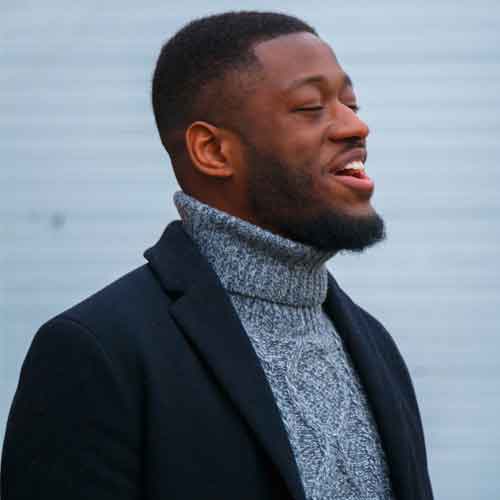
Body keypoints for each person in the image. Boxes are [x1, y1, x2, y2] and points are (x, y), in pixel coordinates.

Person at [1, 11, 434, 500]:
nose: (356, 125)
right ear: (212, 151)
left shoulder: (374, 344)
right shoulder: (98, 352)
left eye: (350, 104)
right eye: (311, 107)